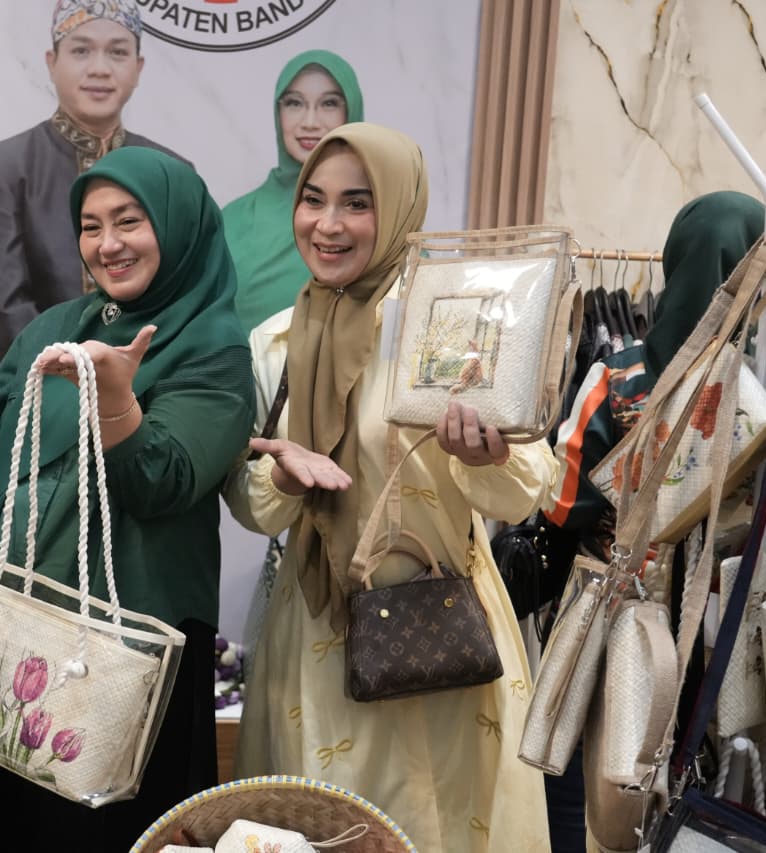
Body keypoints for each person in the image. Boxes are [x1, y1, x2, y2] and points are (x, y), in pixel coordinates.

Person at [223, 123, 554, 853]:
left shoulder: (451, 327)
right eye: (313, 199)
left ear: (402, 207)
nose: (328, 224)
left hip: (441, 626)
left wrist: (484, 456)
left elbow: (526, 492)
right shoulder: (274, 344)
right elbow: (252, 506)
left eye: (358, 202)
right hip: (318, 631)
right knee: (324, 825)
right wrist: (283, 476)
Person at [0, 146, 254, 850]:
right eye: (91, 226)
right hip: (14, 636)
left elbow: (164, 482)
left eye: (129, 221)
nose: (108, 244)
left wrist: (116, 400)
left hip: (126, 656)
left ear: (177, 225)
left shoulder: (213, 349)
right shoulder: (50, 329)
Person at [541, 190, 765, 853]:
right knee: (703, 787)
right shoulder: (761, 389)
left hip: (623, 617)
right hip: (727, 627)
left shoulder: (618, 377)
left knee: (597, 779)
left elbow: (564, 503)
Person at [0, 0, 188, 364]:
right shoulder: (3, 167)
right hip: (40, 378)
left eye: (117, 52)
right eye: (81, 51)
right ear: (52, 63)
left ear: (138, 68)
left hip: (152, 376)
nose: (99, 69)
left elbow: (185, 293)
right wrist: (76, 369)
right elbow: (7, 308)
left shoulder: (173, 171)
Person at [223, 49, 363, 334]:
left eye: (329, 103)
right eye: (295, 103)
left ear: (351, 112)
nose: (310, 121)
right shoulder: (232, 220)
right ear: (279, 113)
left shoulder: (378, 216)